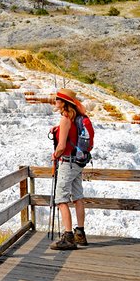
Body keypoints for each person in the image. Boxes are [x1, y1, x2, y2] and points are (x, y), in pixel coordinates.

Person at [49, 88, 89, 250]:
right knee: (77, 196)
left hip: (67, 162)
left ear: (64, 103)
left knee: (61, 199)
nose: (55, 102)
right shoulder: (76, 117)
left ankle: (68, 237)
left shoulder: (65, 119)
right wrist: (57, 129)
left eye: (58, 99)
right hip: (78, 163)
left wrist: (54, 155)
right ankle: (80, 233)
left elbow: (62, 146)